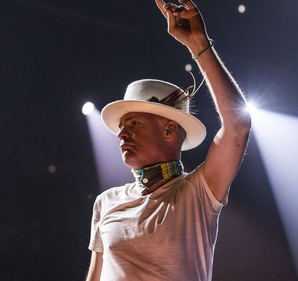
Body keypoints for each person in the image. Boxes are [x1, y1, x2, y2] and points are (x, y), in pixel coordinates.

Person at [85, 0, 251, 280]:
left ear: (169, 130)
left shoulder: (199, 192)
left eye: (134, 123)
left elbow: (238, 125)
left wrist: (198, 43)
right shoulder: (106, 201)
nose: (122, 133)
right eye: (122, 126)